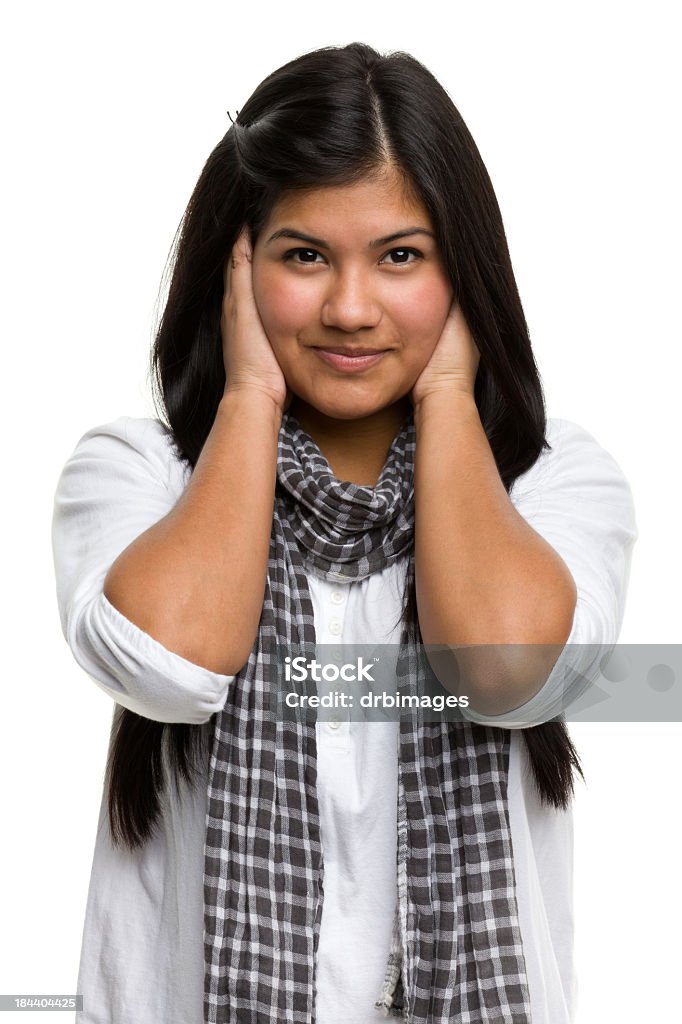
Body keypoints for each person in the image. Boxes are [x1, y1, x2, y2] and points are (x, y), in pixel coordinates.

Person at [51, 41, 637, 1024]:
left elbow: (504, 672)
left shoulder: (550, 482)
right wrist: (248, 394)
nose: (352, 308)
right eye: (303, 255)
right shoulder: (139, 472)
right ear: (236, 265)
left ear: (465, 270)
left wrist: (450, 392)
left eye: (402, 256)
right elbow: (169, 661)